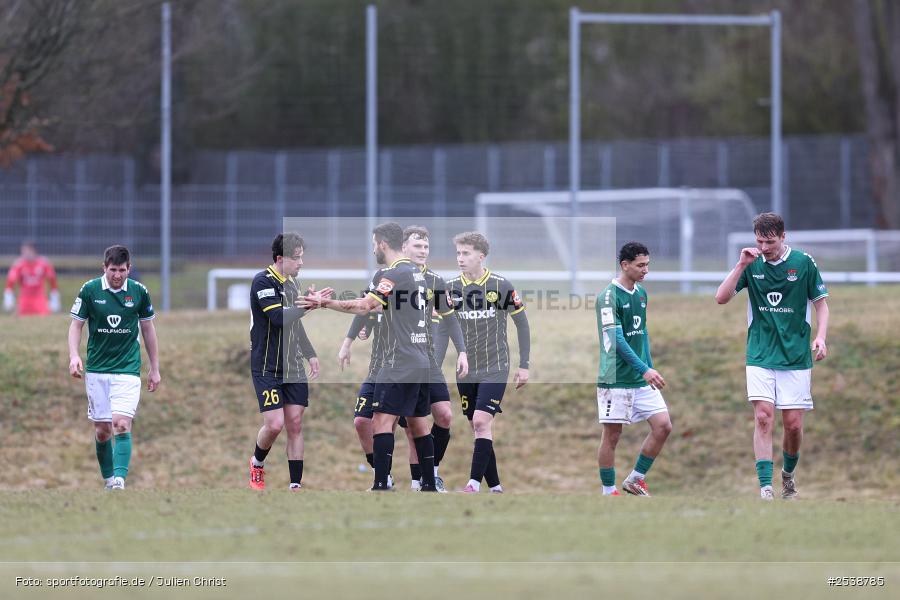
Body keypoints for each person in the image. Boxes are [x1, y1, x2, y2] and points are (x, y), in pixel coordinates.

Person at [303, 222, 441, 492]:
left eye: (373, 244)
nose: (373, 249)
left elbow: (365, 304)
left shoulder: (391, 273)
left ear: (382, 244)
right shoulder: (417, 273)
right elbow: (378, 305)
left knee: (381, 420)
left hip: (398, 360)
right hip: (421, 358)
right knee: (418, 422)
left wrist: (325, 303)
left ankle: (380, 484)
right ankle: (428, 486)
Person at [715, 212, 829, 501]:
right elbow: (721, 297)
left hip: (795, 357)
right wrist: (741, 264)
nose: (764, 247)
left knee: (793, 425)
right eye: (759, 241)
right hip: (760, 354)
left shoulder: (803, 263)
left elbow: (821, 305)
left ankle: (787, 477)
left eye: (769, 241)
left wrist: (820, 337)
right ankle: (765, 489)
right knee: (764, 417)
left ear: (783, 236)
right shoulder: (751, 265)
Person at [67, 245, 160, 490]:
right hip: (97, 369)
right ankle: (109, 480)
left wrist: (155, 368)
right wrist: (74, 356)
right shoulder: (90, 290)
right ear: (104, 268)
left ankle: (119, 481)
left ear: (129, 269)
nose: (117, 275)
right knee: (102, 431)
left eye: (121, 270)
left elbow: (149, 330)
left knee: (121, 423)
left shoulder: (139, 292)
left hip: (128, 369)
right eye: (112, 270)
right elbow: (76, 325)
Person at [446, 232, 530, 494]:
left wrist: (524, 364)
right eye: (458, 253)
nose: (460, 258)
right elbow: (440, 327)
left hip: (495, 365)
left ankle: (472, 484)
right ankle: (495, 486)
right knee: (476, 426)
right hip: (466, 369)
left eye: (466, 253)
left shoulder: (501, 285)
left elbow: (522, 325)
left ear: (481, 256)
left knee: (482, 422)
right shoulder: (449, 289)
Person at [247, 232, 332, 491]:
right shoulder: (262, 282)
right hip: (267, 366)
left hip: (293, 365)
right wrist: (309, 307)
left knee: (295, 423)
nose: (301, 263)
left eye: (302, 258)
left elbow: (294, 325)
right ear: (280, 258)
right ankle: (257, 463)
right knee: (274, 425)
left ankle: (295, 484)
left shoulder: (292, 285)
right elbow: (279, 318)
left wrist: (310, 353)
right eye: (297, 259)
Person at [596, 242, 672, 497]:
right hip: (615, 377)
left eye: (647, 265)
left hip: (640, 378)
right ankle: (609, 491)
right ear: (625, 265)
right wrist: (644, 370)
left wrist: (649, 368)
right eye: (640, 265)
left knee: (663, 426)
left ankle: (635, 479)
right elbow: (617, 341)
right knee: (613, 434)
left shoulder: (641, 294)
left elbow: (642, 334)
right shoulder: (608, 297)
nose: (645, 270)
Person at [397, 226, 468, 492]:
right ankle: (416, 481)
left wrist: (461, 351)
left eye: (426, 247)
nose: (423, 251)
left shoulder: (436, 281)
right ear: (404, 248)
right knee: (410, 426)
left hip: (430, 363)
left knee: (445, 416)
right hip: (402, 363)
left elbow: (449, 318)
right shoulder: (396, 277)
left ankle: (432, 473)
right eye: (417, 246)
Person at [4, 240, 60, 316]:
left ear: (33, 251)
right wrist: (8, 298)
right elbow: (10, 281)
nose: (24, 254)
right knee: (19, 319)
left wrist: (54, 299)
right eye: (23, 251)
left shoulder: (43, 263)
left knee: (45, 318)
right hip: (24, 299)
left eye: (26, 251)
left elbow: (52, 280)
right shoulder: (18, 265)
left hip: (39, 299)